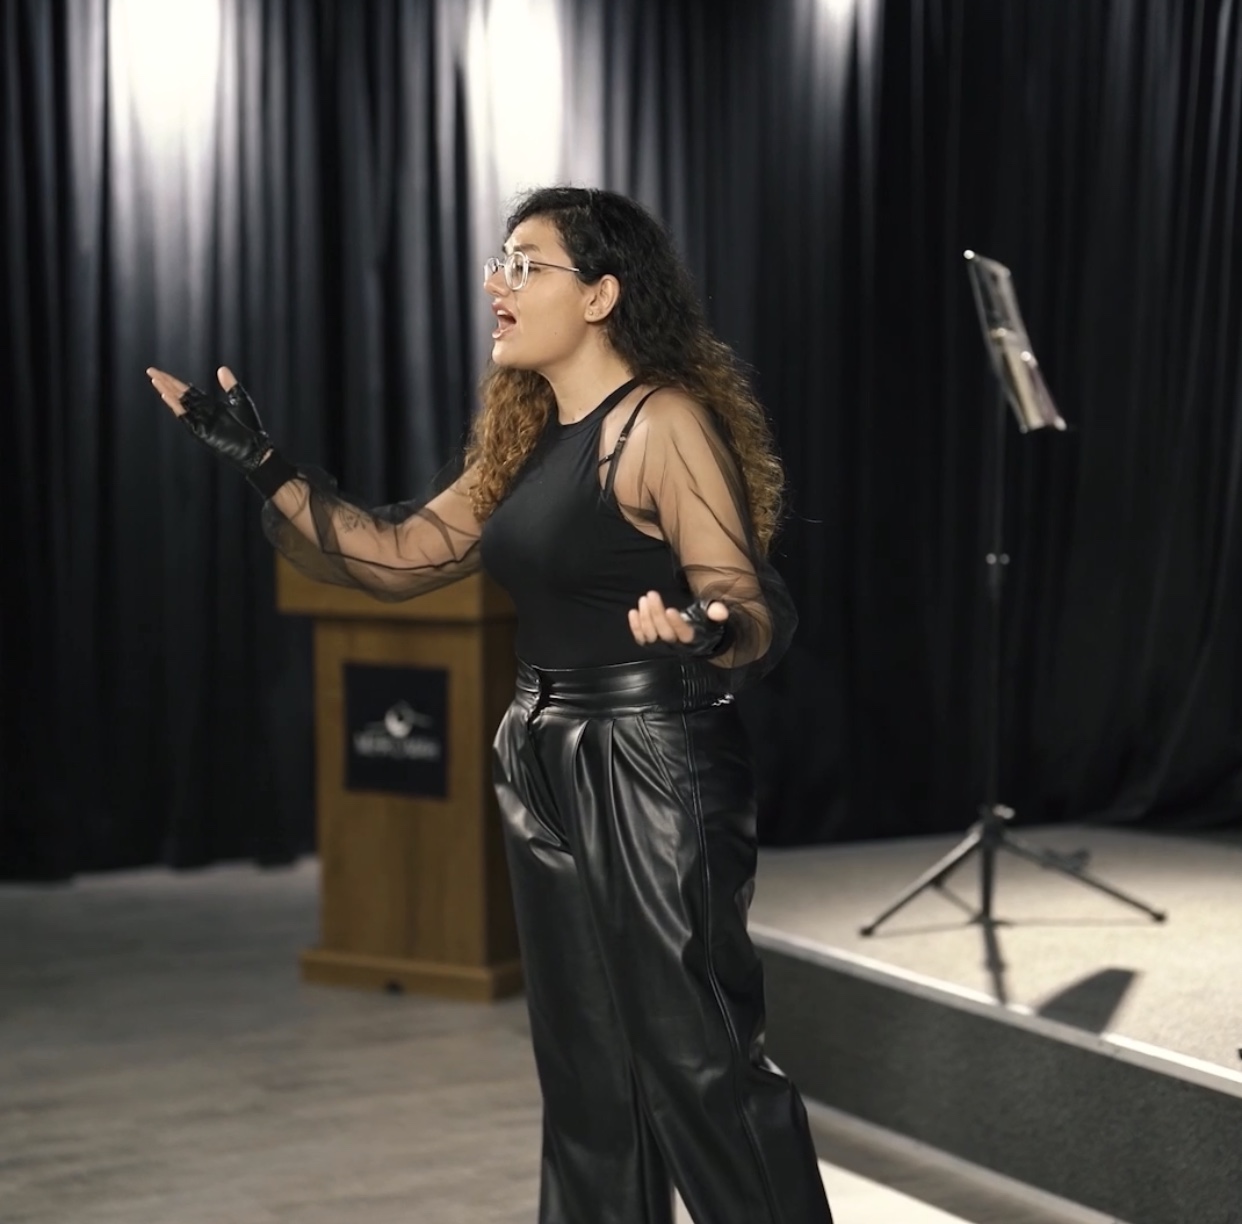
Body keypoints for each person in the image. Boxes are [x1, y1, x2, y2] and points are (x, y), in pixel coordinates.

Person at [148, 186, 833, 1224]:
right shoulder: (526, 440)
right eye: (497, 263)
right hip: (540, 752)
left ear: (601, 295)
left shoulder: (659, 423)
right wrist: (264, 463)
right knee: (588, 1077)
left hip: (650, 756)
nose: (496, 286)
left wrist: (704, 629)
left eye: (526, 265)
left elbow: (746, 599)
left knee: (699, 1063)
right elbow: (397, 555)